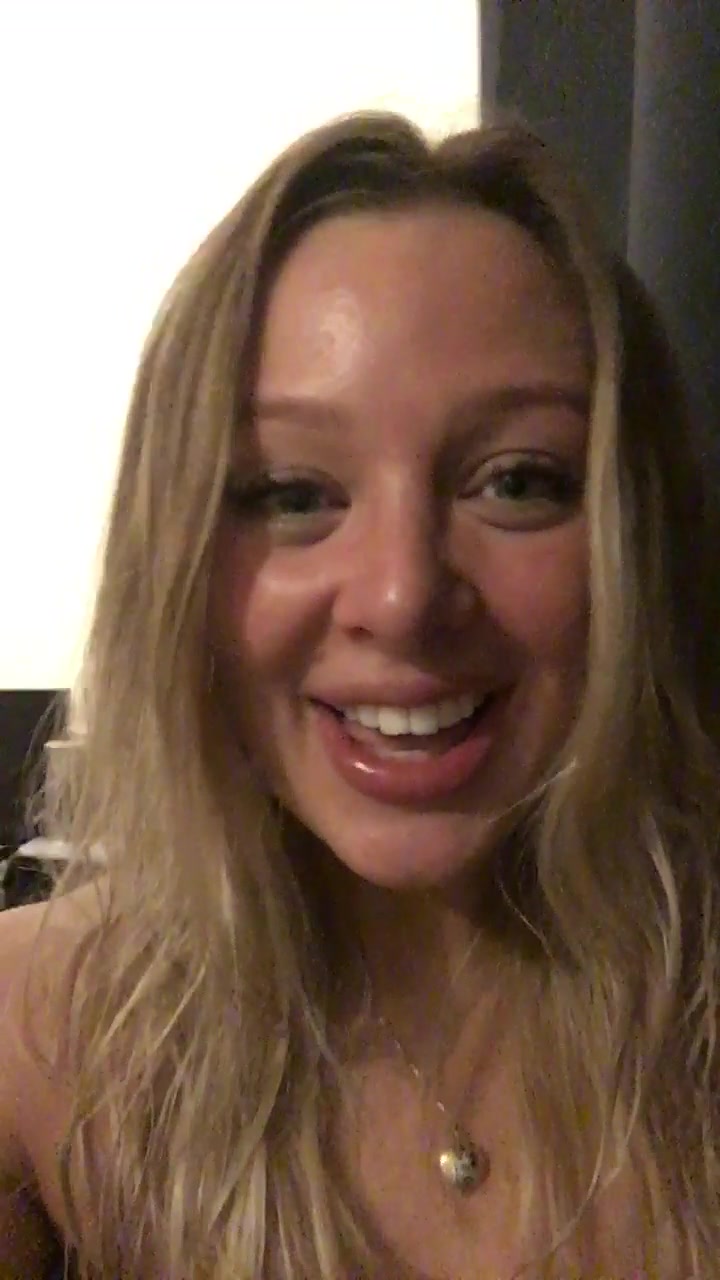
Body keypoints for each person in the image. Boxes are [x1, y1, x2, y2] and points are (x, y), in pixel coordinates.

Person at [1, 109, 719, 1280]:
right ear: (171, 559)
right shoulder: (33, 1040)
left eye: (516, 480)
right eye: (294, 493)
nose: (401, 594)